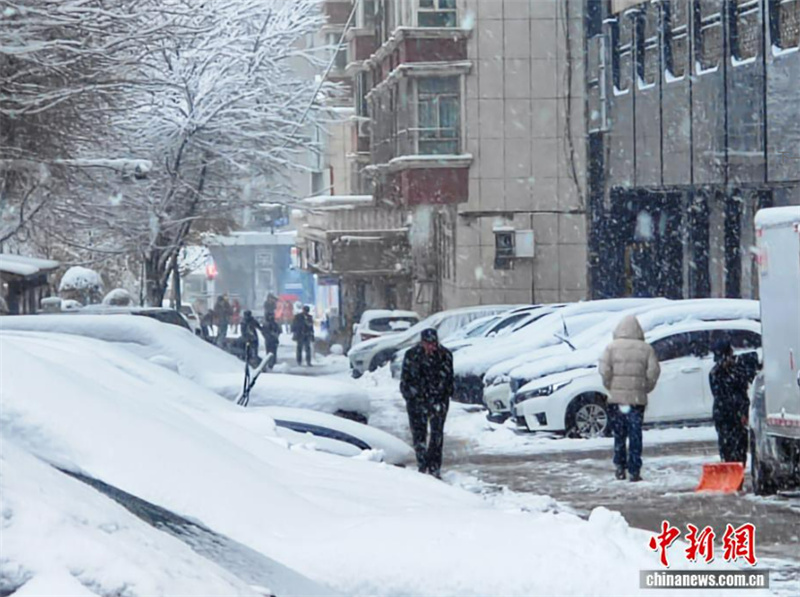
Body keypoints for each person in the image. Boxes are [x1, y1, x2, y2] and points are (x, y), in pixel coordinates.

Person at [599, 315, 661, 482]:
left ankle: (620, 466)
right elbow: (653, 372)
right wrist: (645, 388)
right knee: (635, 434)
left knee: (619, 434)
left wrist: (610, 386)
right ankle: (634, 469)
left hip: (617, 400)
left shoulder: (611, 348)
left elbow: (604, 371)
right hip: (636, 400)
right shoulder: (646, 349)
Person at [400, 328, 454, 479]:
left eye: (433, 344)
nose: (431, 347)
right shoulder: (411, 355)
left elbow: (448, 379)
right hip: (417, 400)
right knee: (419, 434)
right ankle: (422, 465)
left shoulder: (445, 355)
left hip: (438, 400)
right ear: (422, 343)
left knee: (437, 435)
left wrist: (443, 396)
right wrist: (411, 396)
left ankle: (435, 466)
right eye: (428, 344)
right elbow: (405, 379)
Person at [709, 339, 759, 465]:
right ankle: (730, 469)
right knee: (727, 449)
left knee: (739, 448)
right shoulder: (716, 374)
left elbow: (748, 380)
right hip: (724, 416)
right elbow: (721, 395)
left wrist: (742, 413)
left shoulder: (737, 370)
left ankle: (737, 470)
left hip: (736, 416)